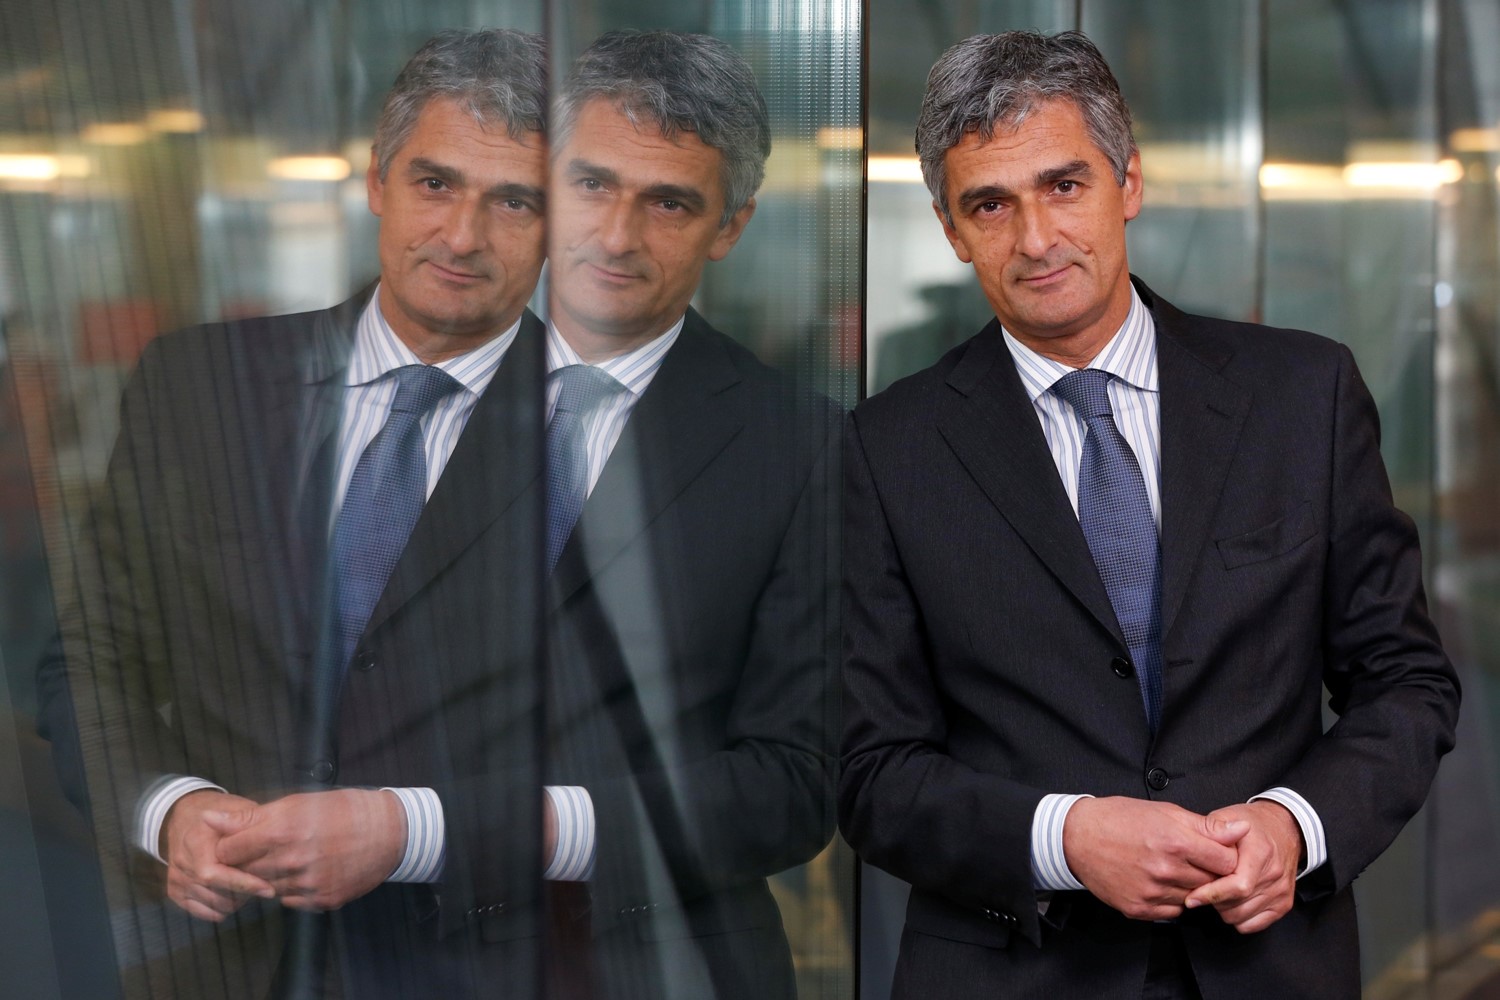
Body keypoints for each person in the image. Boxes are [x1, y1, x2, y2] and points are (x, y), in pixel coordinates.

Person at [839, 29, 1460, 999]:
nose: (1035, 239)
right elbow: (870, 768)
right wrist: (1064, 837)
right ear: (951, 230)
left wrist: (1297, 825)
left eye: (1064, 185)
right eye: (990, 204)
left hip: (1270, 962)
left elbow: (1406, 680)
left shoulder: (1305, 396)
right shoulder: (886, 449)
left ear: (1128, 182)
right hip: (1018, 972)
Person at [52, 29, 554, 998]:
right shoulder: (199, 386)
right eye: (435, 183)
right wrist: (170, 808)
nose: (462, 236)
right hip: (218, 958)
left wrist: (410, 832)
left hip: (489, 962)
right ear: (376, 182)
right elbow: (88, 659)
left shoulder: (612, 440)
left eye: (515, 201)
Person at [537, 29, 837, 999]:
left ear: (730, 226)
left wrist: (545, 827)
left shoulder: (805, 448)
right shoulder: (410, 391)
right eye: (592, 184)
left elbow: (797, 781)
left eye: (668, 202)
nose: (617, 236)